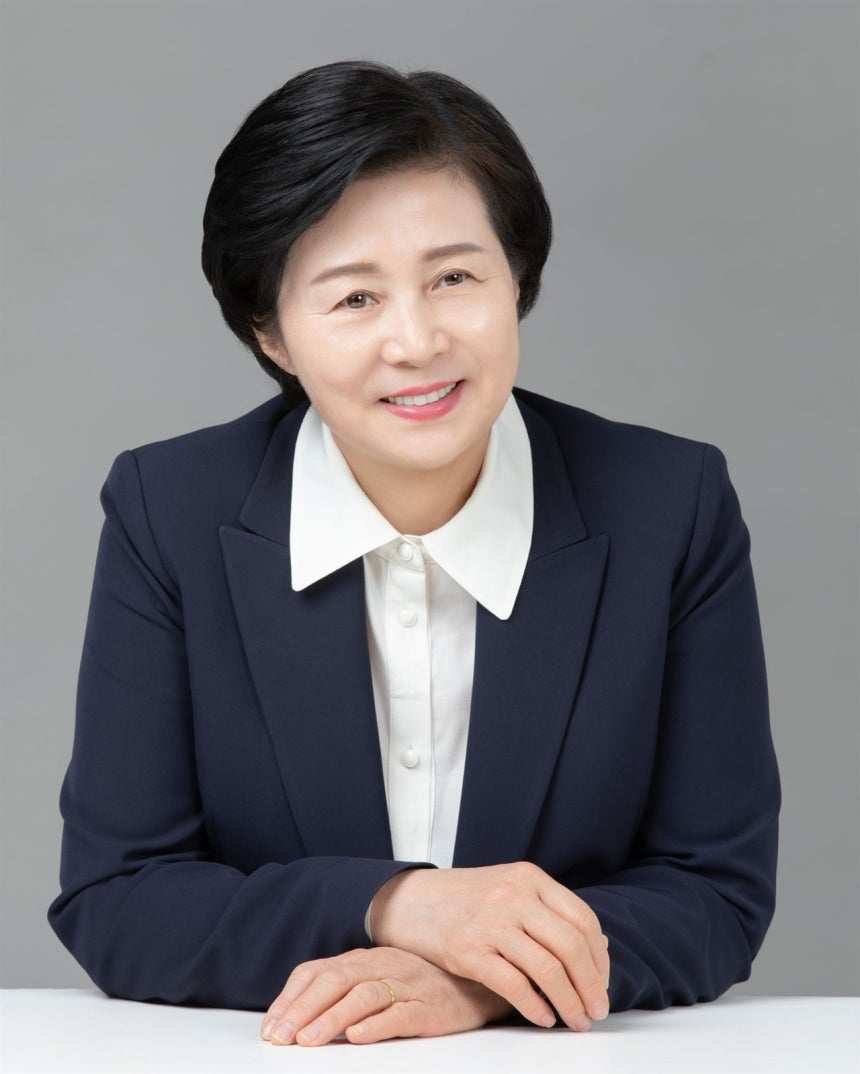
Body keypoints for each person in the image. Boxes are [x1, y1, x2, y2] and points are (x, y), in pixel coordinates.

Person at [48, 59, 780, 1048]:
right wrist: (398, 905)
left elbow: (712, 892)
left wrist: (481, 984)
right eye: (354, 299)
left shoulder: (668, 505)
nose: (417, 341)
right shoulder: (167, 511)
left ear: (516, 279)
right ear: (271, 332)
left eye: (454, 278)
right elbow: (119, 896)